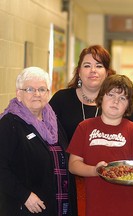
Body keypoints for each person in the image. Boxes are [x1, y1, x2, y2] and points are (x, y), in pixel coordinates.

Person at [49, 45, 133, 215]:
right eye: (87, 65)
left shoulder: (120, 104)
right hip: (68, 180)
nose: (93, 70)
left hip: (110, 185)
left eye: (99, 66)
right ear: (78, 70)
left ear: (107, 71)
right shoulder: (61, 100)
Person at [0, 67, 77, 216]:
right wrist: (24, 195)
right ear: (19, 94)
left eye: (42, 89)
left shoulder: (53, 121)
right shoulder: (9, 124)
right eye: (30, 89)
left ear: (48, 94)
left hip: (58, 205)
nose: (36, 94)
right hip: (25, 208)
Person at [67, 74, 133, 216]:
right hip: (95, 206)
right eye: (110, 95)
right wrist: (95, 170)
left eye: (122, 98)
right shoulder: (84, 127)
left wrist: (121, 173)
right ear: (101, 97)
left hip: (127, 207)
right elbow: (73, 164)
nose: (115, 101)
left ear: (128, 104)